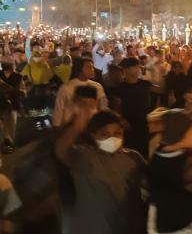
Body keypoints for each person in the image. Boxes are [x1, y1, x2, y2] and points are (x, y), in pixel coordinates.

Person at [54, 101, 146, 234]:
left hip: (124, 227)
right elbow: (60, 150)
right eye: (104, 134)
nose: (112, 138)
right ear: (94, 136)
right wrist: (76, 127)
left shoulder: (133, 157)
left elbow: (150, 185)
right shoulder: (84, 155)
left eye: (117, 133)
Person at [53, 57, 107, 128]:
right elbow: (59, 109)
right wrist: (56, 126)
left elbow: (102, 106)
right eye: (88, 67)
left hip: (92, 127)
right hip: (71, 127)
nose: (92, 70)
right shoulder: (66, 88)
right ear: (79, 70)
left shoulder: (97, 86)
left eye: (92, 67)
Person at [114, 57, 152, 158]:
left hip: (144, 123)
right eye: (133, 67)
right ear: (125, 70)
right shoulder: (120, 87)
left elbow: (150, 103)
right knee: (131, 153)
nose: (137, 69)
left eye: (137, 66)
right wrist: (122, 120)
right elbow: (117, 106)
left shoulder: (145, 84)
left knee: (144, 151)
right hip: (128, 125)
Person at [0, 56, 25, 150]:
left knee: (12, 123)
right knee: (4, 123)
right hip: (1, 104)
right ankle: (5, 141)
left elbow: (23, 90)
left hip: (13, 104)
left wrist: (19, 92)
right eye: (3, 64)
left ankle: (9, 142)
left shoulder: (18, 76)